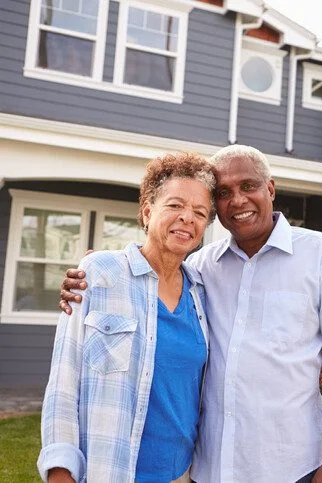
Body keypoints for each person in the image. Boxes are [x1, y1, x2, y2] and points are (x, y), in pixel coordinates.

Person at [61, 144, 322, 482]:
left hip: (290, 466)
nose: (237, 200)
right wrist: (96, 275)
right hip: (208, 466)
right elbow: (151, 271)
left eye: (248, 186)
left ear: (269, 188)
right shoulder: (200, 268)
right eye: (224, 193)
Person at [41, 152, 216, 483]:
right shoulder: (98, 274)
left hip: (182, 474)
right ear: (148, 212)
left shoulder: (203, 293)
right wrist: (60, 472)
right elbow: (63, 385)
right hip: (110, 471)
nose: (187, 218)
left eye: (200, 212)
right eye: (175, 205)